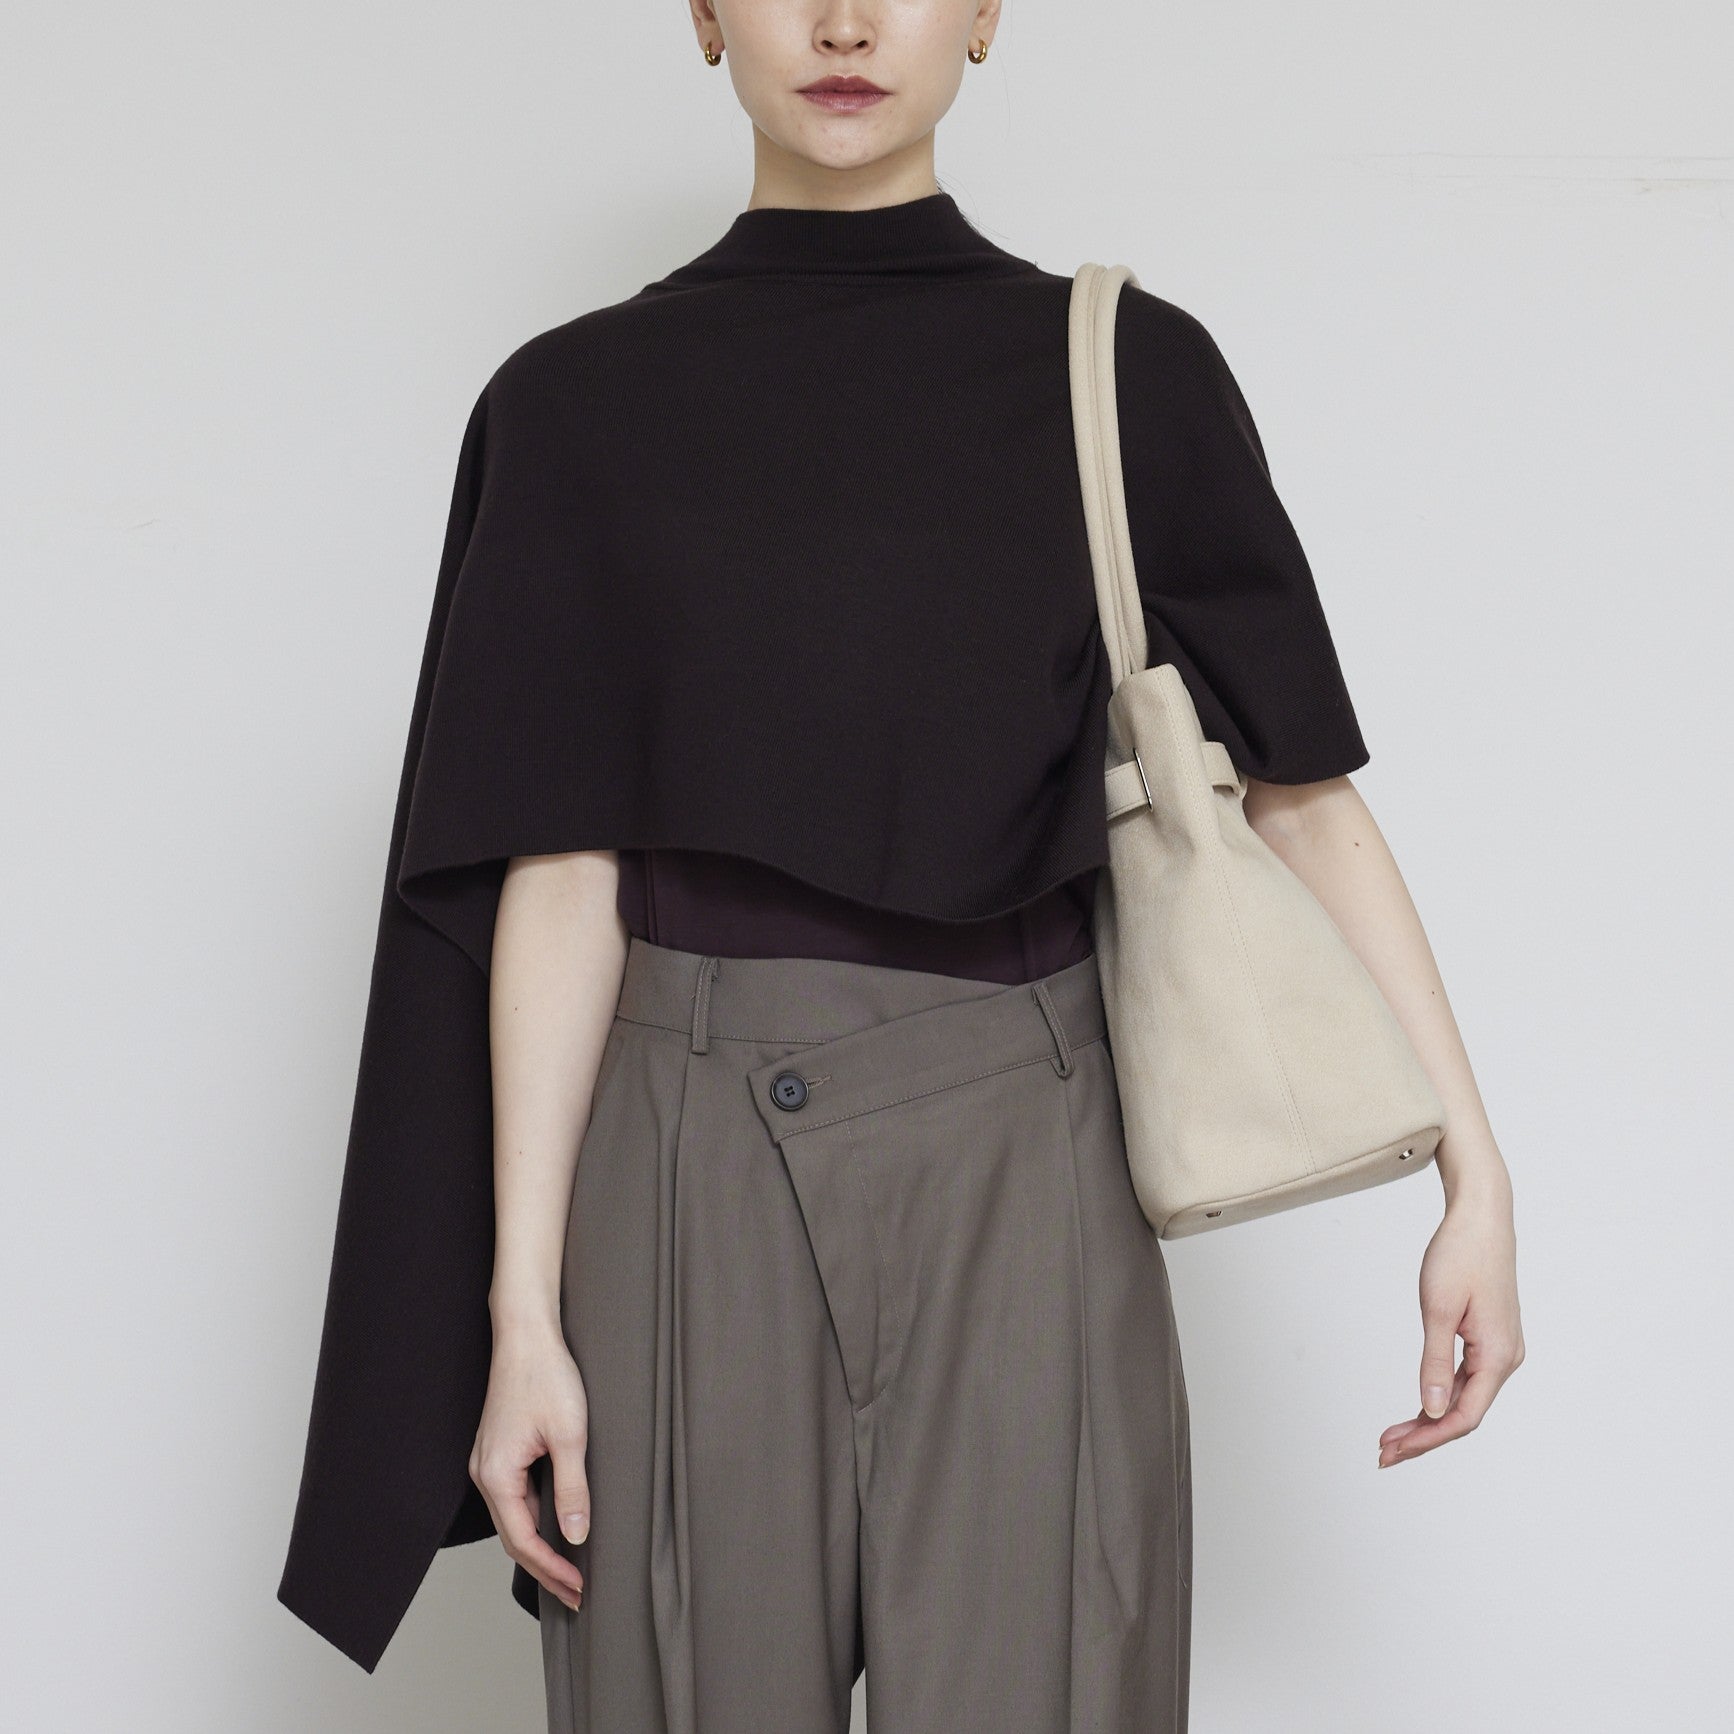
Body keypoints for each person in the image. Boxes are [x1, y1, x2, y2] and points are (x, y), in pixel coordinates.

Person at [277, 3, 1525, 1728]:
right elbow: (557, 877)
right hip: (677, 1174)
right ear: (702, 15)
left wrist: (1474, 1174)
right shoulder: (572, 405)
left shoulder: (1123, 370)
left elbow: (1300, 799)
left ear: (989, 12)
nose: (846, 21)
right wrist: (521, 1314)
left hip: (1033, 1161)